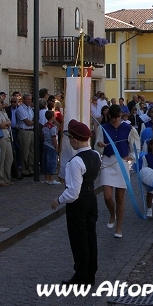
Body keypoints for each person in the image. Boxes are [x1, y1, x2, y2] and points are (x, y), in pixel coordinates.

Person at [51, 120, 101, 285]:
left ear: (76, 140)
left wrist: (58, 200)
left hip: (79, 202)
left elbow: (73, 192)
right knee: (90, 237)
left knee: (79, 239)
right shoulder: (95, 155)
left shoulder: (75, 162)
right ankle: (90, 273)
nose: (70, 141)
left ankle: (81, 274)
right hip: (91, 198)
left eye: (71, 138)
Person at [95, 104, 140, 238]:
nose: (116, 120)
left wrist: (131, 156)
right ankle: (112, 214)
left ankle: (119, 228)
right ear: (109, 116)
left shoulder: (129, 128)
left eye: (119, 117)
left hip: (122, 164)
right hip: (108, 163)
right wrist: (100, 146)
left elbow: (135, 146)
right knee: (107, 196)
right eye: (114, 118)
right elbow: (97, 147)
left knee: (120, 197)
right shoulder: (102, 128)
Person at [16, 93, 35, 177]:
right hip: (24, 131)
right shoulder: (20, 109)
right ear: (23, 100)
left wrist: (33, 122)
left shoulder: (30, 109)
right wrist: (33, 122)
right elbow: (27, 122)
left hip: (31, 131)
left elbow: (33, 120)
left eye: (30, 99)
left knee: (32, 151)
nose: (29, 101)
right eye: (28, 99)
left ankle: (31, 169)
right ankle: (24, 169)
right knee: (25, 151)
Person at [6, 95, 22, 177]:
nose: (13, 103)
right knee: (13, 148)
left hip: (17, 129)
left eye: (15, 102)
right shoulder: (7, 109)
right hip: (10, 130)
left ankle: (19, 164)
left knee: (18, 147)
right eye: (12, 102)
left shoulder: (20, 109)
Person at [42, 110, 60, 185]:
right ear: (52, 117)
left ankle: (46, 178)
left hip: (45, 144)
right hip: (51, 146)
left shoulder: (45, 126)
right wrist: (56, 147)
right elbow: (54, 138)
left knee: (46, 162)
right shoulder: (52, 127)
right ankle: (51, 179)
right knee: (52, 162)